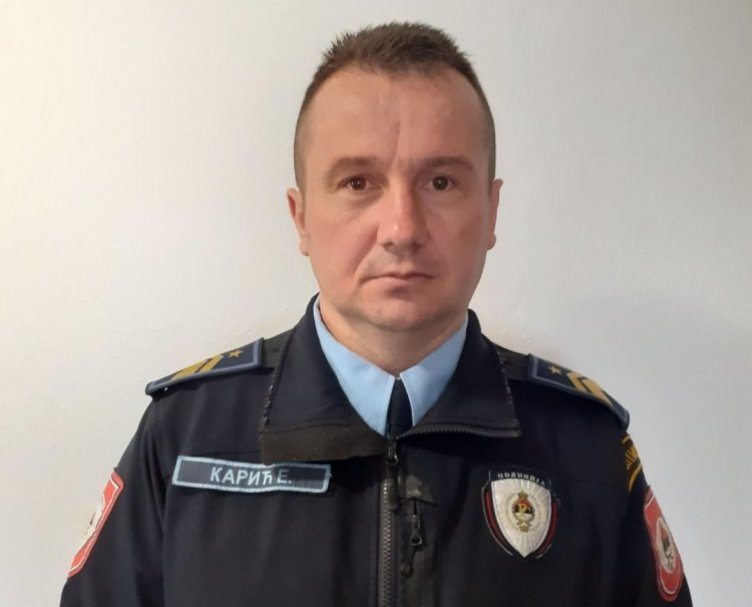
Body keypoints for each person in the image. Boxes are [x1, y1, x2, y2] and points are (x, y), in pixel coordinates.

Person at [60, 22, 692, 606]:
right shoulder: (185, 441)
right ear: (301, 217)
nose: (401, 229)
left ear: (491, 212)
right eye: (358, 183)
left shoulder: (588, 450)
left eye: (440, 182)